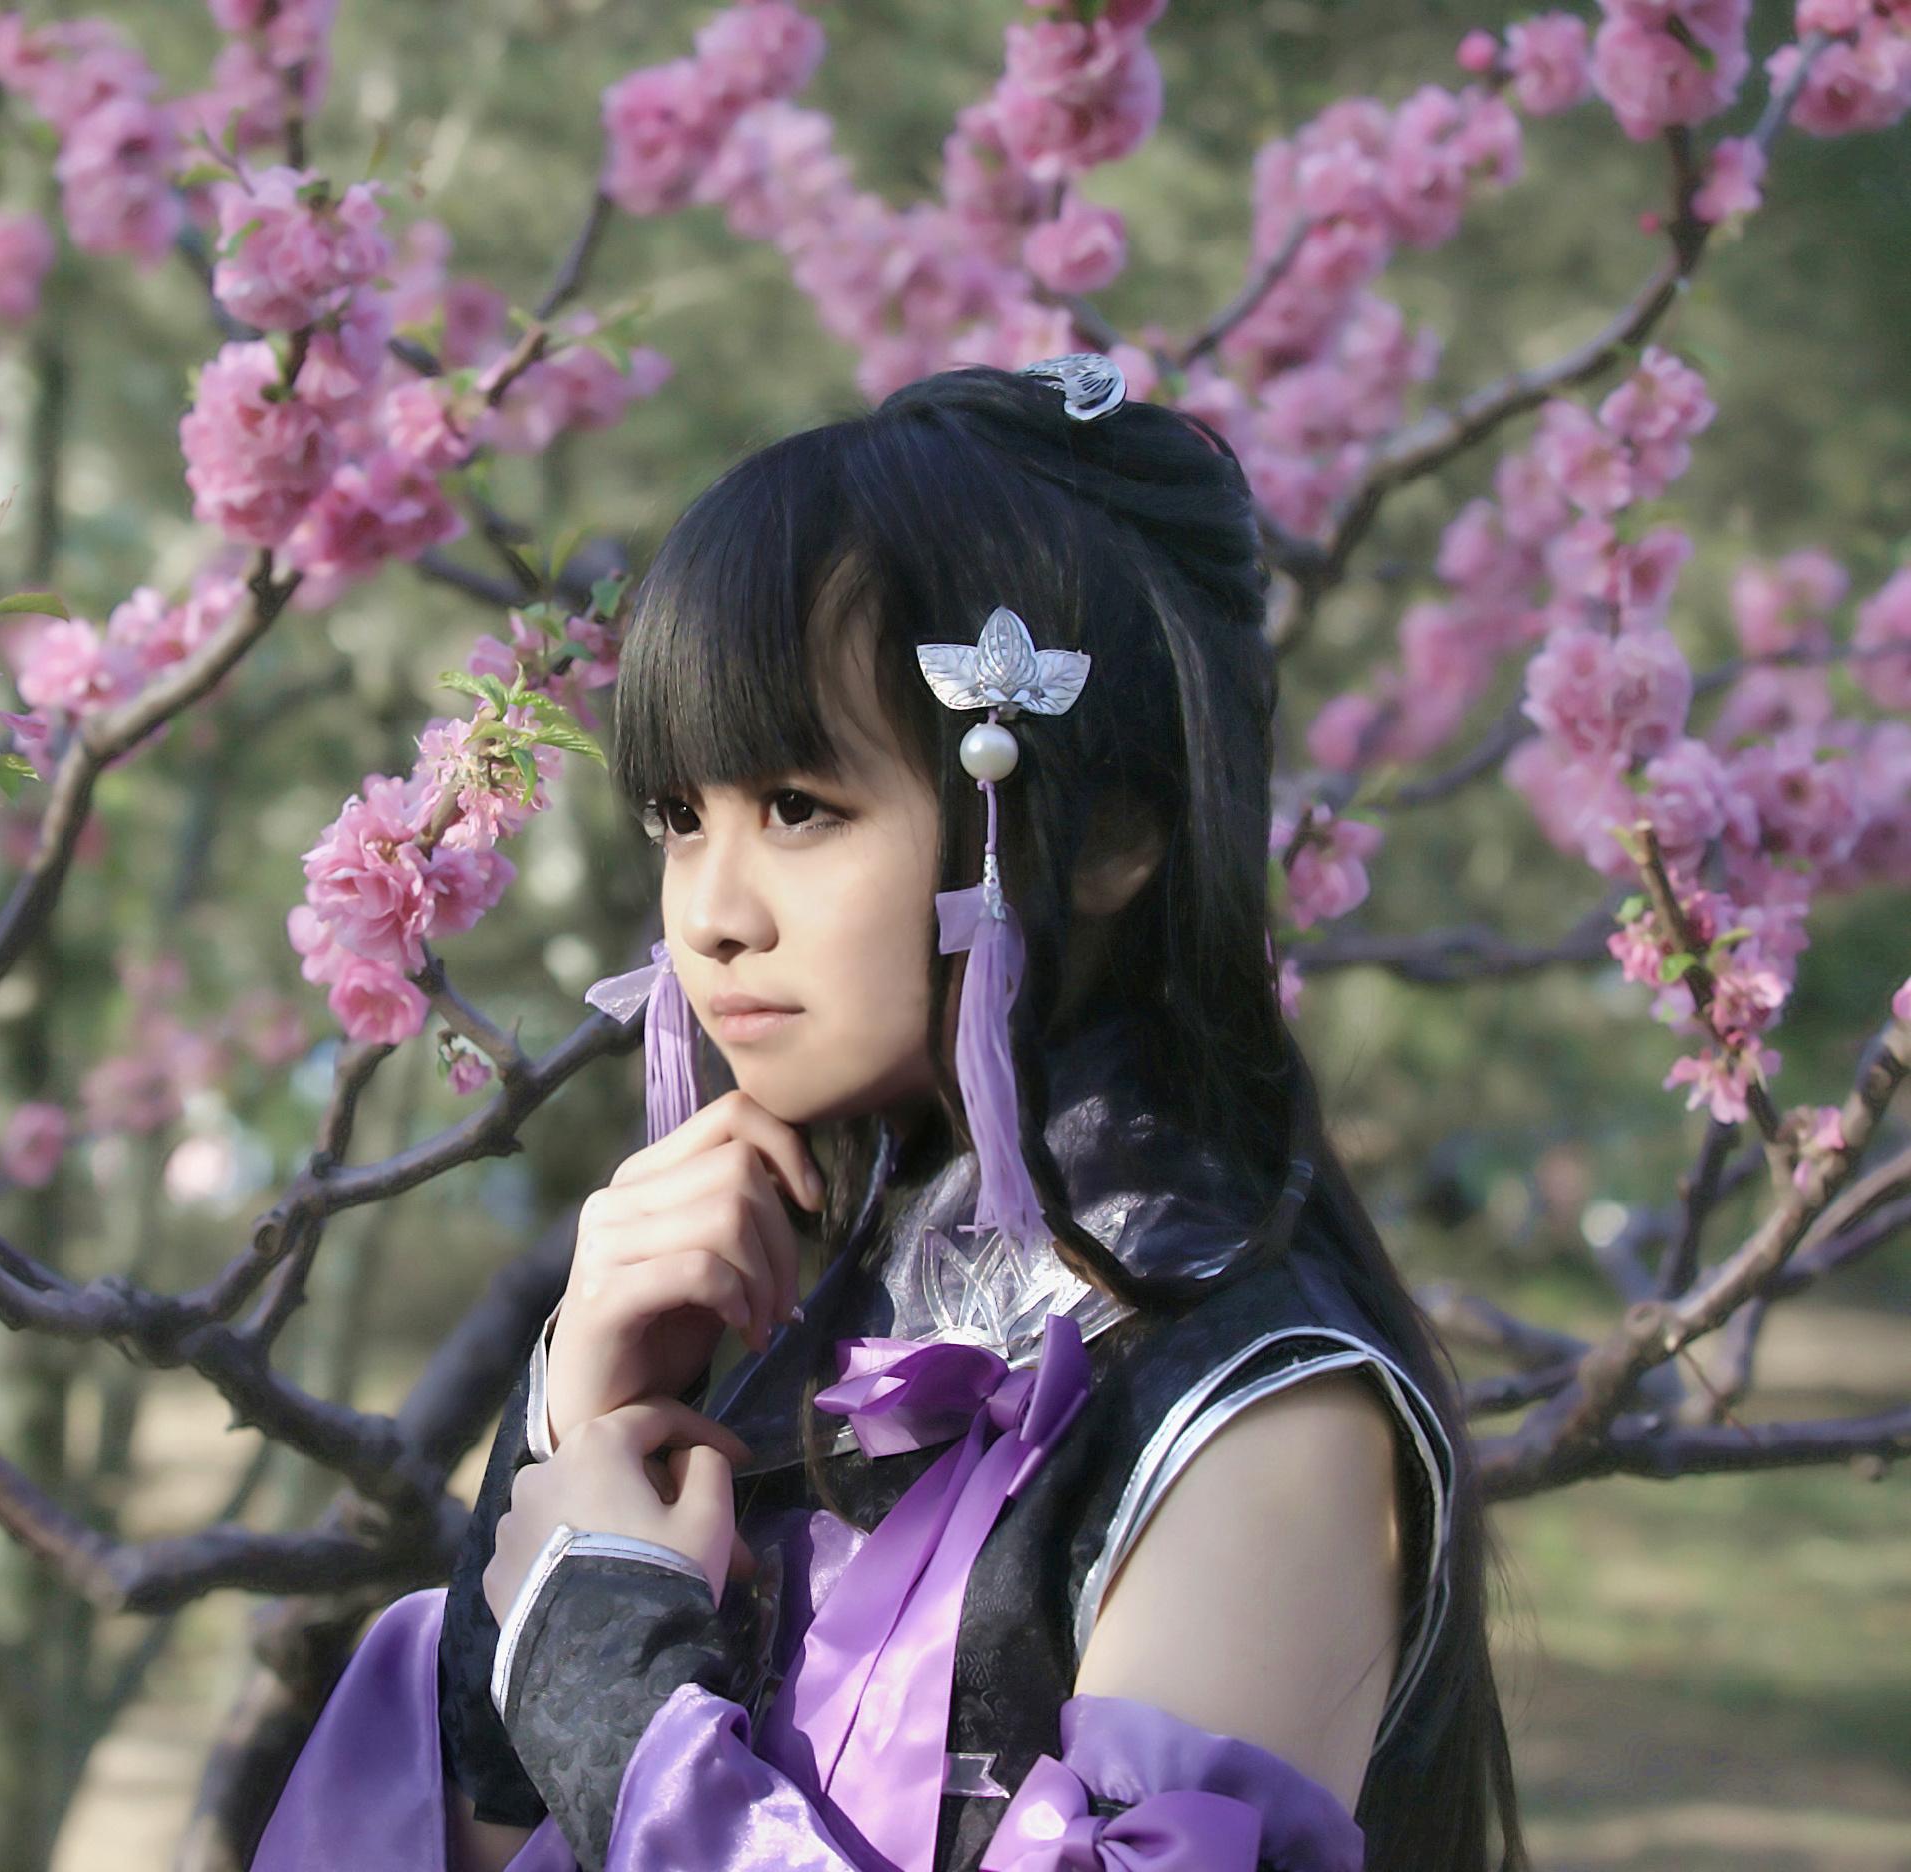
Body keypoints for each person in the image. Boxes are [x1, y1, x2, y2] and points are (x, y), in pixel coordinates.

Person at [249, 357, 1527, 1872]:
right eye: (679, 817)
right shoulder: (794, 1310)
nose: (711, 914)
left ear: (1109, 830)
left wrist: (616, 1699)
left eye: (799, 807)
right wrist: (569, 1440)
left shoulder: (1256, 1416)